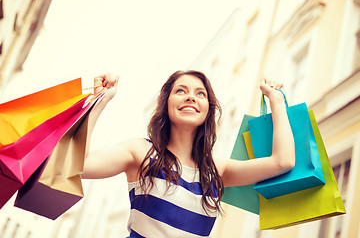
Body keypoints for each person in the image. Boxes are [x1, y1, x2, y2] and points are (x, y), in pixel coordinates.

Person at [81, 70, 295, 238]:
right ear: (166, 104)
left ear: (208, 110)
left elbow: (282, 161)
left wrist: (275, 100)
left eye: (200, 93)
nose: (191, 97)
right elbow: (80, 165)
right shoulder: (141, 152)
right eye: (181, 91)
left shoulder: (216, 172)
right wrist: (100, 99)